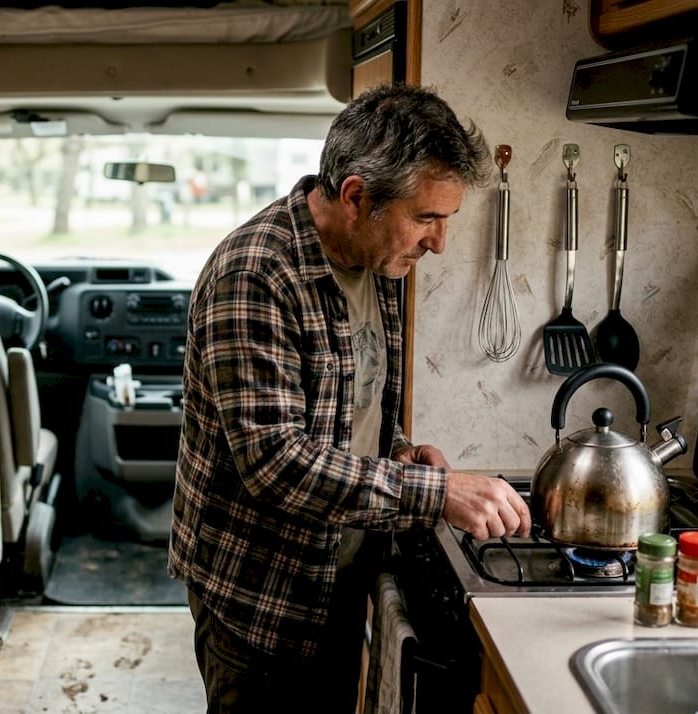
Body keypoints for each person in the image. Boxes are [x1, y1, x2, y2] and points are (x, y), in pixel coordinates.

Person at [168, 82, 532, 713]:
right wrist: (439, 494)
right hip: (263, 604)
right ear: (357, 196)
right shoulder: (255, 274)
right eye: (426, 219)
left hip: (341, 580)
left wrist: (403, 454)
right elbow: (276, 464)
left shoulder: (375, 260)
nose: (440, 243)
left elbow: (354, 405)